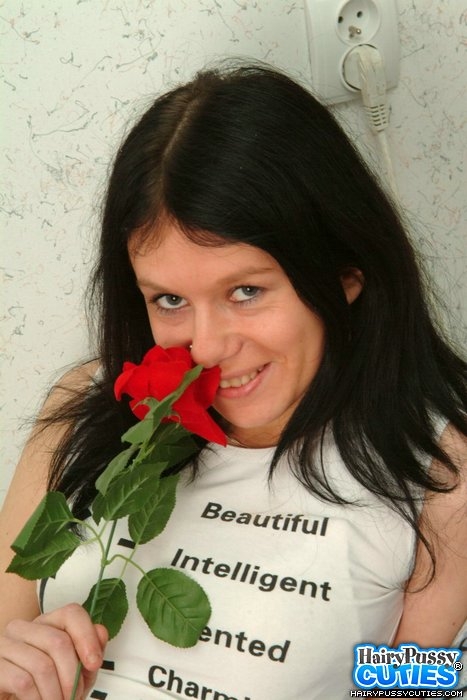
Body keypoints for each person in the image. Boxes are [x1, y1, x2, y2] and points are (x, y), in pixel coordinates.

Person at [0, 62, 466, 700]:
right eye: (169, 300)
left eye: (246, 291)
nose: (208, 347)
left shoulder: (443, 474)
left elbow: (409, 693)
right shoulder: (85, 402)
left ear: (345, 274)